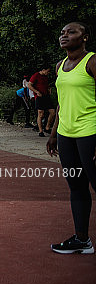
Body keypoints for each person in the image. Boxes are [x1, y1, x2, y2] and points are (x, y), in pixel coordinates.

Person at [46, 22, 96, 254]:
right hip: (66, 134)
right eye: (62, 32)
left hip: (90, 132)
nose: (64, 36)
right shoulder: (60, 66)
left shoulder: (92, 61)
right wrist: (54, 134)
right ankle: (82, 240)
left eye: (71, 32)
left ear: (84, 37)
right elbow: (61, 102)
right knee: (76, 186)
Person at [29, 66, 56, 137]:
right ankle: (40, 131)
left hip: (46, 96)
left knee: (52, 112)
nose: (48, 73)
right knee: (41, 114)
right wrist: (36, 92)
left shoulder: (45, 77)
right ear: (43, 70)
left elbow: (46, 85)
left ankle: (47, 127)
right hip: (39, 97)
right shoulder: (36, 75)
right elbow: (29, 85)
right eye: (47, 71)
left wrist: (49, 89)